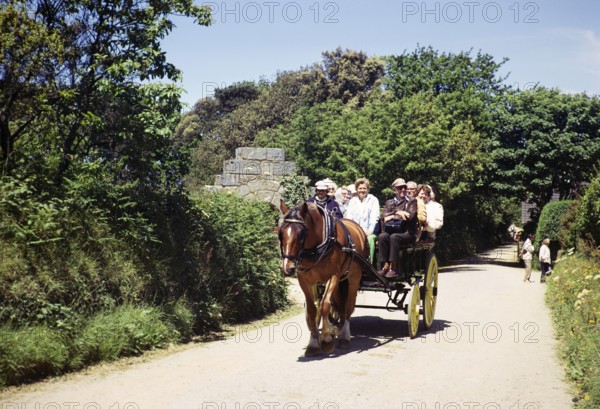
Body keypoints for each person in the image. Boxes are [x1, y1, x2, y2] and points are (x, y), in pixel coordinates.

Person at [377, 178, 418, 278]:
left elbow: (410, 216)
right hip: (391, 231)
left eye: (404, 187)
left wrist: (391, 216)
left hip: (407, 233)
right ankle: (385, 265)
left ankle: (393, 267)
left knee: (394, 237)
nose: (403, 190)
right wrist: (397, 213)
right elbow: (383, 216)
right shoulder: (389, 202)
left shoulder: (412, 201)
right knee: (382, 236)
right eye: (400, 188)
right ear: (394, 189)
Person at [345, 177, 380, 262]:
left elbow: (374, 217)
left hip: (370, 231)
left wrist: (370, 231)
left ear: (368, 189)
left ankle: (368, 262)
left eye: (364, 188)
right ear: (356, 189)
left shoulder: (373, 200)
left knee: (369, 239)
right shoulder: (353, 200)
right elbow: (349, 217)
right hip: (356, 230)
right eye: (360, 188)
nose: (362, 190)